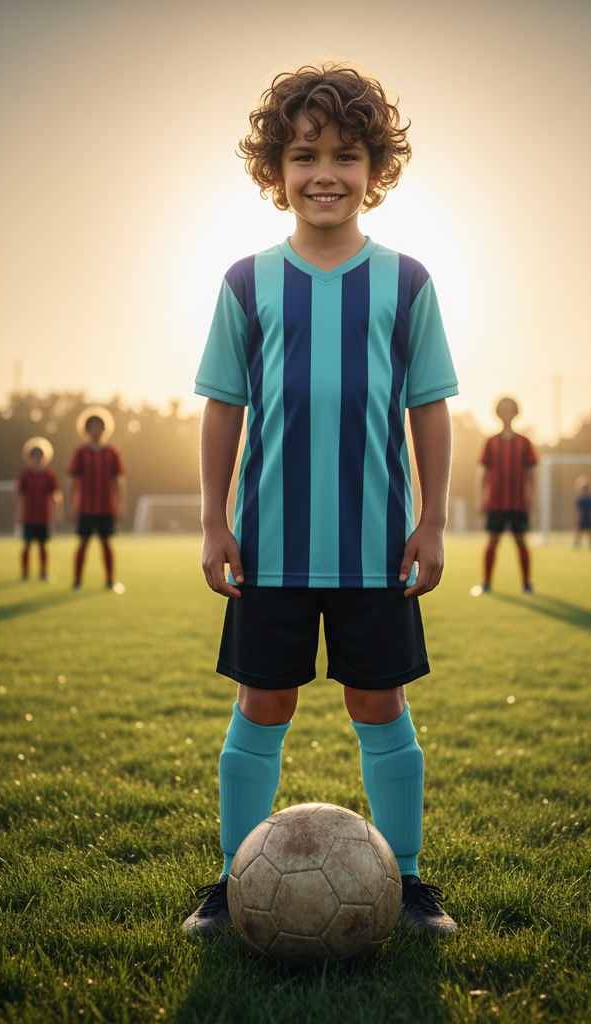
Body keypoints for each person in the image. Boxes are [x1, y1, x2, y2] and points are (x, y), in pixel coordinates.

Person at [184, 63, 459, 939]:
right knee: (263, 702)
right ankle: (233, 884)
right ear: (278, 171)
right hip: (269, 544)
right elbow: (223, 405)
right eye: (305, 156)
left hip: (376, 546)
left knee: (379, 703)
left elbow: (429, 407)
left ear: (376, 168)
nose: (325, 174)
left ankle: (410, 883)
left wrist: (433, 520)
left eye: (346, 155)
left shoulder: (408, 281)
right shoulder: (246, 281)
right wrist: (214, 519)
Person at [472, 396, 536, 595]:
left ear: (516, 412)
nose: (506, 413)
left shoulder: (525, 443)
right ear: (497, 413)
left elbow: (531, 474)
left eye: (510, 409)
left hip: (518, 503)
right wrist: (480, 498)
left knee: (520, 541)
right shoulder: (490, 442)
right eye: (503, 409)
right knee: (492, 541)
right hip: (496, 503)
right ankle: (486, 584)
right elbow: (482, 473)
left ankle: (526, 584)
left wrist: (531, 500)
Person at [68, 406, 125, 590]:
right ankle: (77, 581)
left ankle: (110, 580)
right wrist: (72, 504)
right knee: (83, 542)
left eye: (99, 427)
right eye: (92, 427)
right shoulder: (81, 453)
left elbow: (119, 481)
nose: (96, 431)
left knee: (106, 543)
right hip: (86, 507)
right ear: (86, 430)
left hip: (106, 507)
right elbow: (73, 481)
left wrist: (120, 504)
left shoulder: (112, 452)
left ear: (104, 429)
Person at [16, 436, 62, 581]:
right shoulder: (25, 474)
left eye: (39, 455)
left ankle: (43, 573)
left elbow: (56, 494)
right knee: (27, 545)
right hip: (29, 516)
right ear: (30, 457)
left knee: (43, 546)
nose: (37, 458)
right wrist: (19, 514)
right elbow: (20, 496)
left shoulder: (49, 474)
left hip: (43, 516)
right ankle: (25, 574)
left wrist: (58, 513)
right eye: (34, 455)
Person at [574, 476, 591, 550]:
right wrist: (578, 518)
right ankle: (577, 546)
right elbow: (578, 510)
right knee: (579, 532)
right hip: (582, 517)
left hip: (589, 517)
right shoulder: (579, 499)